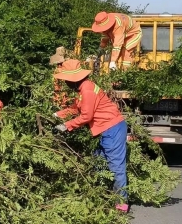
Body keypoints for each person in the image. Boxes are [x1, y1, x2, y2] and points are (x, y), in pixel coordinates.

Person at [52, 59, 129, 212]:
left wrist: (66, 126)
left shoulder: (87, 90)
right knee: (98, 162)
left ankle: (121, 204)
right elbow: (75, 109)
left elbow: (86, 116)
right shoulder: (83, 89)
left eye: (66, 80)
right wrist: (56, 115)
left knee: (116, 167)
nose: (66, 83)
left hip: (112, 128)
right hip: (103, 130)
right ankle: (104, 196)